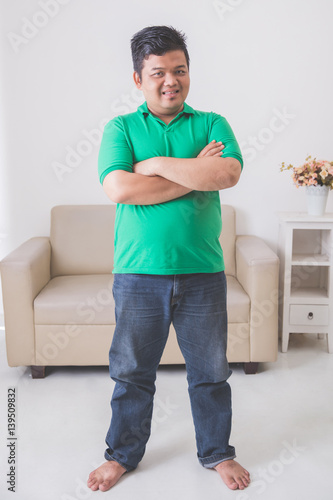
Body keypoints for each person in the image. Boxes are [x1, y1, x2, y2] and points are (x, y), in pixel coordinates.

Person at [88, 25, 250, 493]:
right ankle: (122, 455)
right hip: (138, 275)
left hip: (204, 272)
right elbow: (119, 187)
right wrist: (194, 172)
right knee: (132, 374)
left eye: (179, 71)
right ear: (138, 78)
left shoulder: (212, 122)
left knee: (212, 372)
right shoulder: (120, 128)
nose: (170, 81)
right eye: (158, 72)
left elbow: (228, 172)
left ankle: (217, 452)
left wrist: (155, 165)